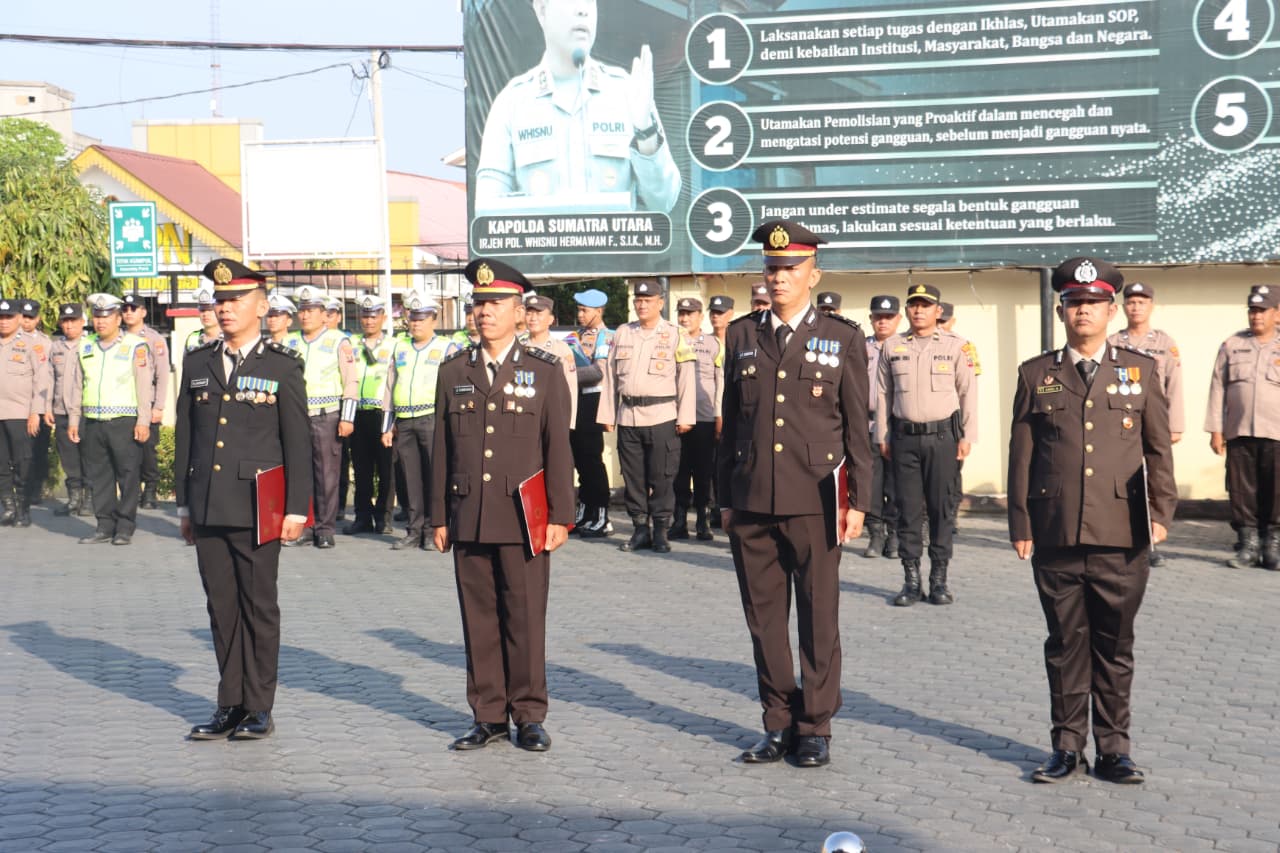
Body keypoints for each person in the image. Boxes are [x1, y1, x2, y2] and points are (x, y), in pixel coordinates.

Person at [1008, 256, 1176, 784]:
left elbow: (1157, 450)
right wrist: (1020, 523)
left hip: (1122, 532)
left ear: (1110, 310)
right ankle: (1066, 746)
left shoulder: (1139, 370)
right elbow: (1022, 454)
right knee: (1064, 645)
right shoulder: (1036, 374)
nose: (1083, 311)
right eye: (1074, 303)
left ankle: (1114, 749)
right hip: (1056, 532)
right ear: (1062, 311)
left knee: (1114, 645)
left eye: (1093, 303)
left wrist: (1161, 512)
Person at [718, 219, 872, 768]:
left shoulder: (843, 337)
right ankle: (777, 722)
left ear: (814, 273)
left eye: (790, 268)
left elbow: (858, 428)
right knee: (763, 621)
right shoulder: (741, 335)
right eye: (772, 267)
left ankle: (815, 726)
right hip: (753, 497)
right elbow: (732, 423)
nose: (778, 277)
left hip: (816, 499)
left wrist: (859, 502)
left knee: (817, 616)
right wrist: (725, 497)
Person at [431, 258, 574, 753]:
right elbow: (442, 449)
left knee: (526, 615)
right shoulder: (454, 371)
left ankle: (529, 714)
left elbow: (558, 446)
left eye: (494, 303)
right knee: (479, 619)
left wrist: (561, 515)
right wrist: (437, 516)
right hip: (469, 511)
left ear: (519, 311)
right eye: (478, 303)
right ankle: (488, 714)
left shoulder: (544, 371)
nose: (484, 311)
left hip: (524, 515)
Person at [176, 258, 313, 741]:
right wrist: (184, 506)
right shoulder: (198, 362)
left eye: (236, 299)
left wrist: (298, 508)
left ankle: (258, 706)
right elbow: (187, 440)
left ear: (260, 305)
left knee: (258, 607)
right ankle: (229, 703)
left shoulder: (280, 365)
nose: (226, 308)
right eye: (220, 300)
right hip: (210, 503)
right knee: (221, 607)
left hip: (260, 506)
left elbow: (298, 441)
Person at [473, 0, 681, 216]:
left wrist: (645, 131)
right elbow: (488, 215)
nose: (583, 10)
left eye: (590, 2)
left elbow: (664, 201)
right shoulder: (511, 104)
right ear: (542, 11)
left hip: (613, 248)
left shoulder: (627, 93)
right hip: (542, 249)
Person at [876, 284, 978, 606]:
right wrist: (882, 435)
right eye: (913, 305)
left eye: (925, 305)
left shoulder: (957, 346)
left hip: (942, 439)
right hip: (904, 439)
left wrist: (968, 436)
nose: (918, 310)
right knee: (907, 510)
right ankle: (911, 581)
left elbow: (968, 393)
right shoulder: (892, 347)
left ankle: (938, 580)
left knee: (941, 509)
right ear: (907, 310)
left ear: (938, 311)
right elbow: (882, 394)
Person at [597, 280, 696, 553]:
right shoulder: (622, 333)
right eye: (638, 300)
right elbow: (610, 377)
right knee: (633, 478)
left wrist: (685, 416)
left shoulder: (675, 334)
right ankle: (640, 529)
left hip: (663, 415)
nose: (642, 304)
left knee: (662, 477)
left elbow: (686, 378)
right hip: (628, 416)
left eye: (648, 300)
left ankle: (661, 531)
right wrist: (607, 413)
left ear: (660, 303)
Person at [64, 294, 155, 545]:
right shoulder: (86, 345)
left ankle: (125, 526)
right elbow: (75, 386)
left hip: (124, 420)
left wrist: (143, 421)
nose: (101, 322)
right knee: (99, 475)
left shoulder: (136, 345)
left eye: (106, 317)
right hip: (93, 421)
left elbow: (144, 386)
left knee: (127, 475)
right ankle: (104, 525)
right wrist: (74, 419)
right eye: (97, 317)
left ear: (118, 319)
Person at [1107, 282, 1183, 568]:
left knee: (1155, 480)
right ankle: (1122, 537)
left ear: (1152, 306)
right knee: (1123, 483)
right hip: (1117, 425)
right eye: (1131, 302)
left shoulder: (1164, 344)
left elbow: (1174, 386)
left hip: (1153, 422)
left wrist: (1174, 425)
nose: (1136, 307)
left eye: (1142, 302)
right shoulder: (1112, 343)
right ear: (1122, 307)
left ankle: (1151, 541)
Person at [1205, 284, 1280, 570]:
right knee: (1241, 491)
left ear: (1277, 313)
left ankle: (1272, 545)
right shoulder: (1232, 345)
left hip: (1276, 433)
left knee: (1276, 491)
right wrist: (1216, 430)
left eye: (1262, 310)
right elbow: (1217, 389)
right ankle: (1247, 545)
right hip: (1238, 432)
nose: (1256, 316)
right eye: (1252, 310)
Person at [281, 285, 359, 549]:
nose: (305, 315)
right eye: (302, 310)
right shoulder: (289, 341)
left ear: (324, 314)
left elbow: (351, 381)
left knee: (326, 474)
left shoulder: (339, 341)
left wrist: (347, 418)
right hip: (297, 416)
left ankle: (325, 528)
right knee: (300, 473)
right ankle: (305, 524)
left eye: (311, 310)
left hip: (327, 416)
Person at [381, 292, 459, 550]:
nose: (416, 324)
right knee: (410, 477)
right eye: (413, 318)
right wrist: (387, 425)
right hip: (404, 419)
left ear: (433, 320)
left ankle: (431, 529)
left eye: (422, 319)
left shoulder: (447, 347)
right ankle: (414, 529)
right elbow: (390, 387)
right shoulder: (400, 346)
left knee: (434, 475)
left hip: (431, 418)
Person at [669, 296, 721, 541]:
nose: (684, 318)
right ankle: (679, 520)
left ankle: (703, 519)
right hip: (676, 417)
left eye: (690, 313)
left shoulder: (713, 344)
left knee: (703, 472)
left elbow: (720, 383)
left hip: (704, 417)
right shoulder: (670, 340)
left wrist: (719, 415)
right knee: (679, 471)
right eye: (681, 313)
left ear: (701, 316)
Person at [346, 295, 397, 536]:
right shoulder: (351, 344)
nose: (368, 320)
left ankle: (383, 517)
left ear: (383, 318)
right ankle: (362, 516)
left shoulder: (395, 345)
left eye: (373, 315)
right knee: (362, 468)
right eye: (365, 316)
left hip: (382, 413)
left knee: (386, 469)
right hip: (358, 412)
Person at [0, 298, 52, 527]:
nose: (4, 322)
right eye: (1, 317)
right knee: (1, 463)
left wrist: (35, 413)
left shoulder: (33, 345)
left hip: (20, 413)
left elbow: (42, 380)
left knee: (23, 462)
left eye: (9, 317)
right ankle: (8, 507)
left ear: (20, 319)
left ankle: (22, 509)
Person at [567, 288, 615, 536]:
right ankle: (585, 512)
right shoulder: (574, 337)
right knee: (581, 461)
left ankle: (602, 515)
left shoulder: (606, 337)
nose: (580, 314)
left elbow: (598, 372)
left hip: (594, 402)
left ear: (598, 311)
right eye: (579, 309)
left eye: (585, 310)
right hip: (575, 402)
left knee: (593, 461)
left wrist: (567, 374)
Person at [121, 294, 171, 509]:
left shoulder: (154, 339)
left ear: (143, 312)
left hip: (147, 403)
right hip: (124, 403)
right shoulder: (118, 337)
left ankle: (150, 490)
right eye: (125, 308)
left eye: (134, 308)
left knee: (148, 450)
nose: (129, 312)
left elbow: (162, 374)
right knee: (127, 451)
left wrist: (158, 406)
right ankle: (132, 491)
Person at [863, 295, 902, 559]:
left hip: (898, 423)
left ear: (898, 319)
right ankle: (875, 534)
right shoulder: (860, 347)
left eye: (888, 317)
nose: (883, 321)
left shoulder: (906, 346)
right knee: (871, 481)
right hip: (867, 422)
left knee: (897, 482)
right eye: (878, 317)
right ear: (871, 319)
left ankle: (895, 534)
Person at [49, 303, 92, 517]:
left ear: (82, 322)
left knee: (88, 456)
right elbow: (49, 380)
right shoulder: (55, 347)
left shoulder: (90, 345)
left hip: (85, 412)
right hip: (61, 410)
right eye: (65, 321)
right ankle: (74, 498)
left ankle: (90, 499)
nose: (69, 325)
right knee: (69, 458)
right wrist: (48, 407)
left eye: (73, 321)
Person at [523, 293, 578, 427]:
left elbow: (571, 389)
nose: (533, 318)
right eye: (529, 313)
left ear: (550, 319)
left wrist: (568, 423)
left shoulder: (562, 350)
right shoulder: (517, 347)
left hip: (552, 417)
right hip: (523, 415)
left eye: (539, 313)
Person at [18, 300, 52, 505]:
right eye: (23, 316)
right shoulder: (8, 340)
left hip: (38, 405)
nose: (26, 321)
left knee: (37, 451)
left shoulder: (46, 343)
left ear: (38, 319)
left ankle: (34, 490)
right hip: (15, 407)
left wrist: (42, 410)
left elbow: (48, 378)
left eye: (30, 317)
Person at [707, 295, 735, 527]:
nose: (716, 316)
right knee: (715, 464)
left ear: (731, 314)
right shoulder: (706, 343)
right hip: (709, 412)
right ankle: (716, 507)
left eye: (721, 312)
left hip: (733, 412)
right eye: (713, 312)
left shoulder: (739, 339)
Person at [184, 287, 223, 351]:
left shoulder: (229, 337)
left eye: (210, 310)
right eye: (202, 310)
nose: (205, 314)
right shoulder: (192, 338)